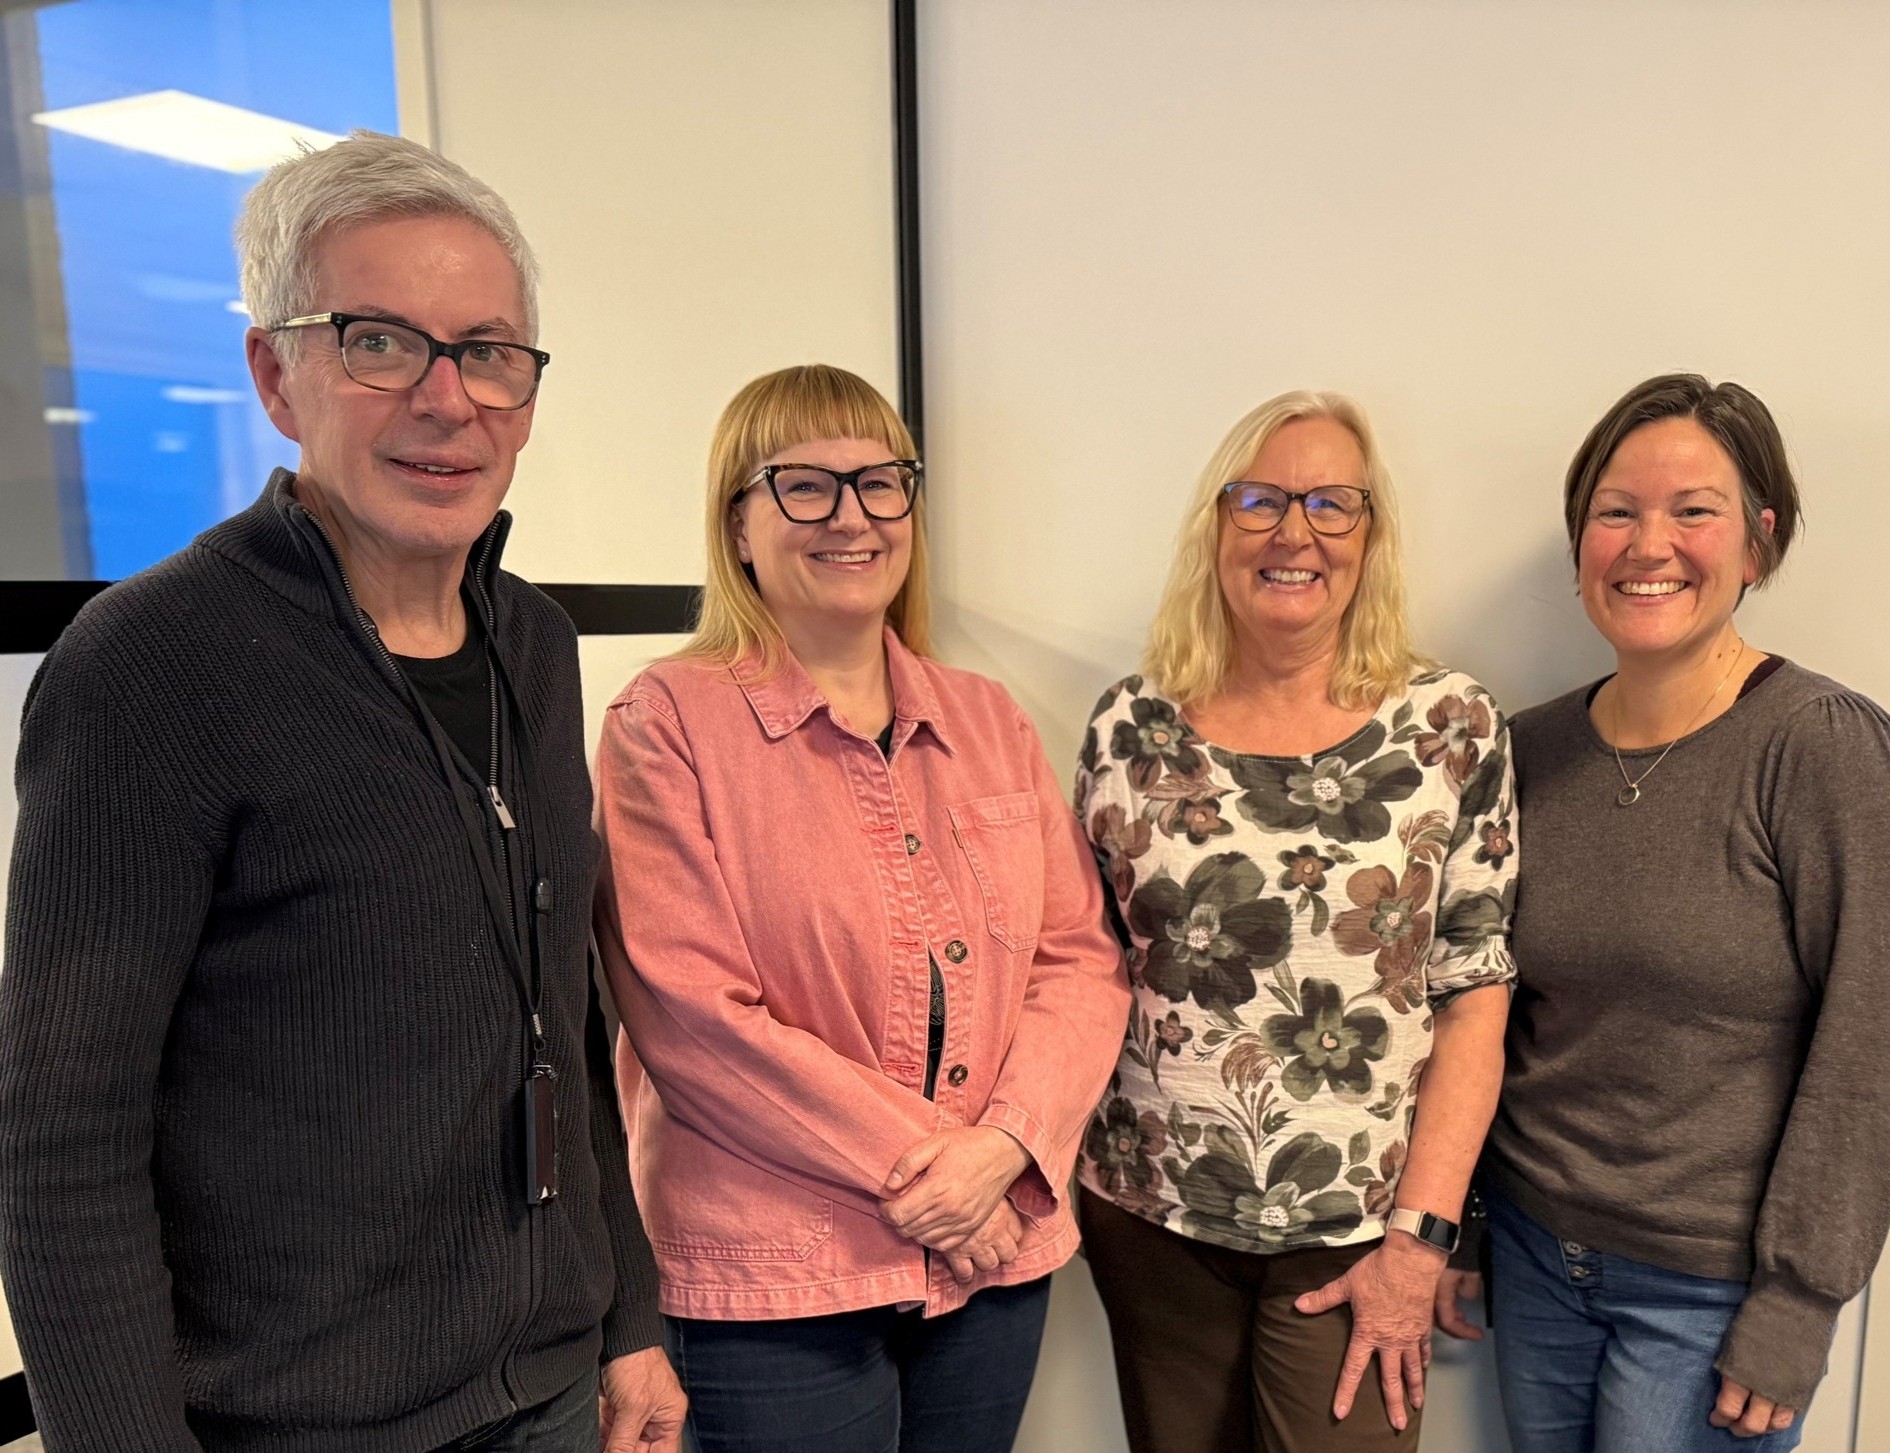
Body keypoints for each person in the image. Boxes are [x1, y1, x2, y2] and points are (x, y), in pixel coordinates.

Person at [0, 131, 683, 1453]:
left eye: (488, 350)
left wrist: (629, 1316)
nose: (448, 398)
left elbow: (563, 1022)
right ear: (275, 373)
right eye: (378, 340)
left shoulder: (531, 646)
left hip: (543, 1393)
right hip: (299, 1423)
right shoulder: (151, 664)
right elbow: (66, 1144)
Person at [591, 363, 1128, 1453]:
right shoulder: (667, 723)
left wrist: (1001, 1156)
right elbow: (691, 1013)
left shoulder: (988, 719)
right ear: (738, 523)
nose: (853, 516)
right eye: (804, 485)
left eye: (884, 483)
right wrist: (937, 1176)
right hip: (773, 1276)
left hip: (992, 1261)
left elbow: (1080, 962)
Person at [1438, 374, 1890, 1450]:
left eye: (1692, 511)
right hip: (1536, 1259)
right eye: (1615, 511)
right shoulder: (1525, 751)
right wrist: (1469, 1219)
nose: (1647, 543)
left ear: (1759, 542)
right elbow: (1490, 1007)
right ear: (1581, 547)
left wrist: (1802, 1299)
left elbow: (1887, 1043)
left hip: (1712, 1296)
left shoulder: (1825, 749)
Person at [1073, 390, 1518, 1452]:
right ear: (1216, 526)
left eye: (1332, 503)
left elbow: (1474, 999)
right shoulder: (1131, 724)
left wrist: (1420, 1240)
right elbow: (1080, 965)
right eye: (1261, 499)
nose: (1295, 531)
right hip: (1152, 1218)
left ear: (1371, 536)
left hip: (1359, 1234)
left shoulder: (1449, 725)